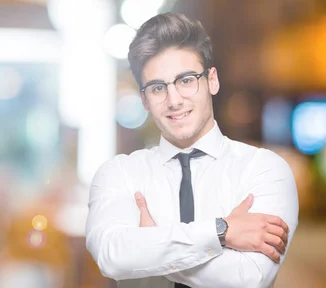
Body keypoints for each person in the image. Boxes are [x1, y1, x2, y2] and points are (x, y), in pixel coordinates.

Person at [85, 12, 299, 288]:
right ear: (145, 100)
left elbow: (249, 279)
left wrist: (151, 247)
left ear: (212, 80)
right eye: (158, 87)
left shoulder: (265, 169)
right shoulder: (119, 173)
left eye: (186, 80)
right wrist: (220, 232)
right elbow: (112, 257)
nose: (174, 100)